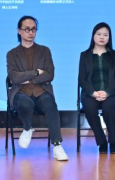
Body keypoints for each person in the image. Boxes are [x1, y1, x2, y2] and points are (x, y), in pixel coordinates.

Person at [6, 16, 68, 161]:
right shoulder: (12, 54)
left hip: (41, 90)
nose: (31, 32)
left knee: (50, 104)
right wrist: (36, 72)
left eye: (33, 29)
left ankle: (57, 145)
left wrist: (28, 78)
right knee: (25, 103)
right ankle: (28, 128)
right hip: (20, 92)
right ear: (19, 31)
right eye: (27, 29)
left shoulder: (44, 50)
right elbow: (14, 77)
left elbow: (50, 74)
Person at [78, 22, 115, 153]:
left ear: (109, 37)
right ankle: (102, 141)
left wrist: (107, 92)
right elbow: (82, 79)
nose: (102, 37)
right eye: (99, 34)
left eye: (105, 35)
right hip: (90, 94)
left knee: (108, 108)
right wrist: (93, 93)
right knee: (89, 109)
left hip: (111, 94)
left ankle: (112, 141)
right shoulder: (84, 55)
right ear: (93, 36)